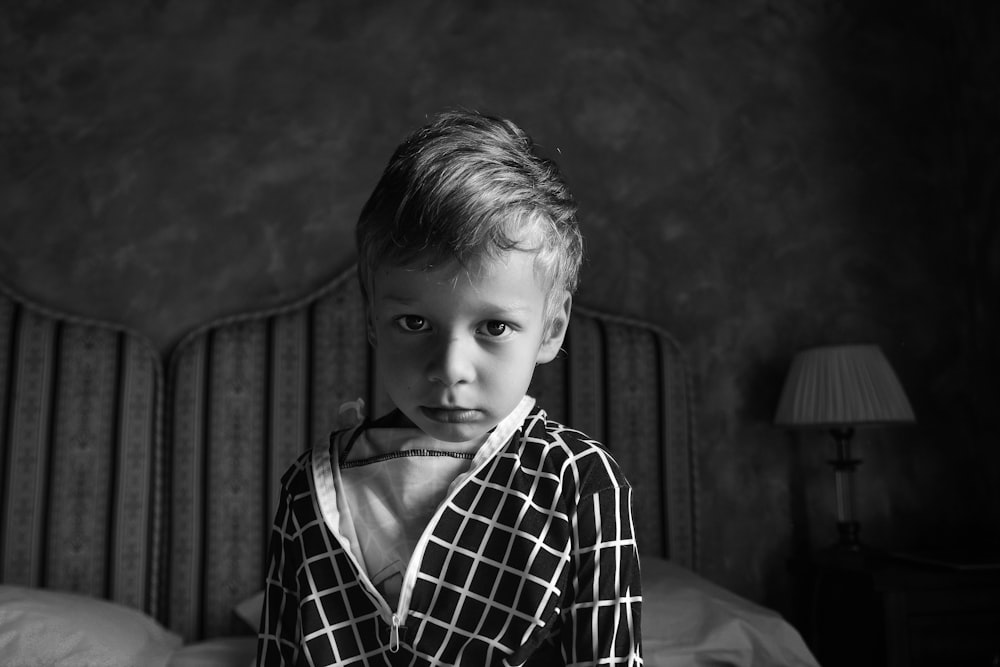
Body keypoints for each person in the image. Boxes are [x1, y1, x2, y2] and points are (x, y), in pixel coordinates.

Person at [257, 109, 642, 666]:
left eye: (494, 327)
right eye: (414, 323)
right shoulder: (308, 488)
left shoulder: (578, 482)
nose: (450, 368)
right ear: (372, 321)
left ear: (551, 331)